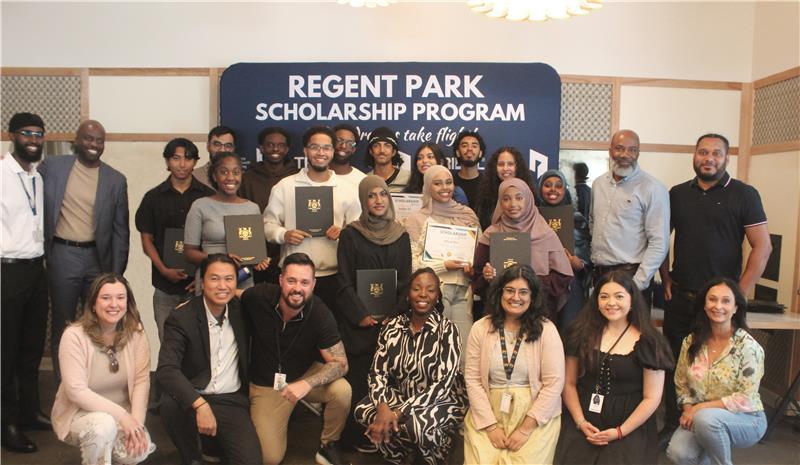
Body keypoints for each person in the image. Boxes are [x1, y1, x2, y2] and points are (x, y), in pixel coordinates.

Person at [658, 133, 771, 443]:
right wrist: (664, 277)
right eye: (703, 152)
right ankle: (673, 424)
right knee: (675, 365)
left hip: (721, 305)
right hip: (682, 298)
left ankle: (714, 424)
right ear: (695, 155)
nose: (709, 158)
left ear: (726, 158)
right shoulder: (677, 194)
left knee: (721, 367)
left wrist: (740, 292)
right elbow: (660, 239)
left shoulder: (744, 194)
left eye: (716, 154)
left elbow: (762, 247)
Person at [240, 252, 351, 465]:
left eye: (304, 282)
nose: (297, 288)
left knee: (342, 391)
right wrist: (197, 304)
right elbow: (233, 293)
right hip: (266, 384)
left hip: (303, 375)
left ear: (313, 284)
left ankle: (328, 445)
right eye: (291, 281)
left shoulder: (320, 313)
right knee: (269, 458)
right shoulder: (260, 296)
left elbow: (341, 364)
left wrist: (307, 383)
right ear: (281, 280)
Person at [40, 119, 129, 379]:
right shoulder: (53, 167)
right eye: (88, 138)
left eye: (99, 140)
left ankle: (97, 383)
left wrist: (115, 275)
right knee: (63, 323)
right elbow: (25, 173)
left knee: (102, 323)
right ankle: (64, 386)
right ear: (77, 140)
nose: (94, 144)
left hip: (97, 260)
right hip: (63, 254)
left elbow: (120, 231)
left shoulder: (115, 180)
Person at [554, 271, 674, 465]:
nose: (611, 303)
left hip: (630, 424)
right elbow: (569, 383)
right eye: (604, 297)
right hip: (582, 418)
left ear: (632, 300)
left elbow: (651, 398)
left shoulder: (650, 342)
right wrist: (580, 421)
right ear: (596, 301)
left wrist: (620, 432)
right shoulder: (579, 334)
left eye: (619, 296)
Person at [354, 268, 468, 465]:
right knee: (363, 410)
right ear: (408, 294)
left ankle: (439, 453)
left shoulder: (448, 330)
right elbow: (377, 373)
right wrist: (382, 408)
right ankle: (398, 455)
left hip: (444, 399)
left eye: (430, 290)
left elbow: (442, 384)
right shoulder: (392, 327)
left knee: (415, 425)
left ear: (437, 297)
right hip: (406, 394)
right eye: (417, 289)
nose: (423, 294)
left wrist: (397, 413)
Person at [157, 254, 262, 465]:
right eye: (214, 279)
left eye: (229, 279)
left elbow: (275, 297)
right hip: (194, 396)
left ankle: (212, 446)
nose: (222, 286)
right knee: (170, 404)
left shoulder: (243, 310)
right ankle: (192, 457)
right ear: (202, 282)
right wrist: (200, 405)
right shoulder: (182, 317)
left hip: (231, 399)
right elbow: (167, 369)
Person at [336, 175, 412, 452]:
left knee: (389, 380)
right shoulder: (350, 234)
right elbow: (343, 280)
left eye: (383, 194)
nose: (378, 200)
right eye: (371, 195)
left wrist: (393, 314)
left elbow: (406, 280)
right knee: (359, 381)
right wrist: (361, 315)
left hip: (391, 322)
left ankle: (389, 436)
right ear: (363, 200)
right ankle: (358, 436)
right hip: (360, 324)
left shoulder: (401, 235)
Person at [463, 264, 565, 465]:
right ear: (499, 293)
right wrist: (491, 426)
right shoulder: (480, 328)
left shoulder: (546, 329)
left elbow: (554, 384)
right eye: (509, 290)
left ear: (533, 297)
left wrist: (526, 429)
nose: (515, 297)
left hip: (535, 415)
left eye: (523, 292)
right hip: (487, 412)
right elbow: (473, 380)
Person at [51, 273, 155, 465]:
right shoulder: (74, 336)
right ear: (93, 304)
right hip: (80, 414)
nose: (114, 304)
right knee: (102, 427)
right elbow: (76, 391)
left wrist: (136, 424)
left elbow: (141, 382)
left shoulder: (136, 332)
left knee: (136, 452)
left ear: (127, 303)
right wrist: (123, 417)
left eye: (120, 298)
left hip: (122, 415)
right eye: (106, 298)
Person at [666, 278, 766, 465]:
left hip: (746, 418)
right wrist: (688, 409)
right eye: (712, 299)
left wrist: (698, 409)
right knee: (678, 453)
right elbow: (681, 382)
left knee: (707, 420)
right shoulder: (691, 341)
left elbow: (744, 398)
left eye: (726, 301)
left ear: (736, 308)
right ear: (704, 305)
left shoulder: (748, 347)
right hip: (701, 417)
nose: (718, 306)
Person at [264, 125, 361, 317]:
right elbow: (267, 225)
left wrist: (344, 233)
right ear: (305, 150)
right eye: (315, 147)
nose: (320, 153)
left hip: (333, 277)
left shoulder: (347, 189)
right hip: (294, 279)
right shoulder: (285, 186)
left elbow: (359, 228)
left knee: (329, 330)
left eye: (326, 148)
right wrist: (284, 235)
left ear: (333, 151)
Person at [1, 113, 51, 453]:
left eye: (38, 134)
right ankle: (6, 423)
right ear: (12, 135)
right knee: (5, 351)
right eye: (26, 133)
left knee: (32, 347)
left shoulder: (37, 177)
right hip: (7, 271)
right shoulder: (2, 174)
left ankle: (29, 411)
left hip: (36, 269)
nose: (33, 139)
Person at [135, 138, 214, 341]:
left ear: (195, 162)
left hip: (199, 286)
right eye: (176, 158)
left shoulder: (208, 197)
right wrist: (163, 270)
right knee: (168, 341)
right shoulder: (153, 198)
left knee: (200, 343)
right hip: (165, 287)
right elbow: (146, 240)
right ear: (167, 161)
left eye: (188, 158)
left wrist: (202, 276)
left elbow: (213, 241)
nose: (182, 164)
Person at [473, 178, 573, 321]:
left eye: (519, 198)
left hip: (538, 313)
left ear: (529, 200)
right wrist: (486, 277)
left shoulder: (545, 234)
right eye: (506, 199)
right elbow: (477, 277)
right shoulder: (491, 234)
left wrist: (530, 283)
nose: (513, 204)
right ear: (500, 203)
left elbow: (562, 278)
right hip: (501, 314)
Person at [406, 165, 480, 356]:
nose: (445, 187)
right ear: (427, 186)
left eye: (448, 182)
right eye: (437, 183)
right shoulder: (416, 219)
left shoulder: (468, 215)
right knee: (434, 351)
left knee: (464, 350)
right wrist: (443, 265)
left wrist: (474, 269)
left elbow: (479, 255)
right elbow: (412, 264)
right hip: (435, 291)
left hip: (464, 292)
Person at [590, 129, 669, 306]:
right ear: (610, 151)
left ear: (638, 153)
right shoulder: (598, 184)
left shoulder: (653, 188)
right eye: (619, 148)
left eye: (632, 150)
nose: (625, 155)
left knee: (633, 325)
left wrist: (637, 283)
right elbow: (593, 224)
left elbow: (659, 242)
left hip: (632, 277)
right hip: (600, 276)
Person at [183, 151, 269, 292]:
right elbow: (189, 253)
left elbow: (253, 251)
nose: (230, 177)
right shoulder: (200, 206)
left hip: (243, 281)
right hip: (212, 279)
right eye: (224, 172)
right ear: (214, 176)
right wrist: (222, 259)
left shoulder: (252, 208)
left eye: (236, 172)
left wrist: (259, 261)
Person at [239, 126, 299, 284]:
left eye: (280, 145)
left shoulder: (298, 177)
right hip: (256, 258)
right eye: (270, 144)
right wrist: (254, 254)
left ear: (287, 149)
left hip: (290, 251)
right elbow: (241, 219)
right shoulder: (247, 179)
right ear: (261, 148)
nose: (275, 149)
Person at [536, 169, 592, 330]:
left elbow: (587, 253)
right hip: (541, 283)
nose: (553, 189)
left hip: (571, 283)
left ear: (565, 189)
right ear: (540, 189)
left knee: (569, 330)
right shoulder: (531, 218)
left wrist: (579, 263)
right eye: (547, 185)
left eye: (558, 186)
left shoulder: (577, 218)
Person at [474, 146, 538, 230]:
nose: (505, 168)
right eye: (501, 164)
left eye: (510, 164)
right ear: (494, 168)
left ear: (518, 167)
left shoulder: (529, 195)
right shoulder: (485, 196)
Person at [403, 142, 468, 205]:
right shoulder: (409, 190)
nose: (424, 161)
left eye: (430, 157)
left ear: (441, 162)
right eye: (420, 158)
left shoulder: (456, 193)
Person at [365, 126, 409, 192]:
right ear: (371, 151)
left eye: (387, 146)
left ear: (393, 152)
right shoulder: (365, 180)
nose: (382, 150)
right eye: (376, 146)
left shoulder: (408, 179)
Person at [452, 130, 486, 210]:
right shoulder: (450, 182)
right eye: (464, 146)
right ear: (458, 152)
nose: (469, 149)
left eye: (474, 146)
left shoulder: (488, 183)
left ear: (480, 153)